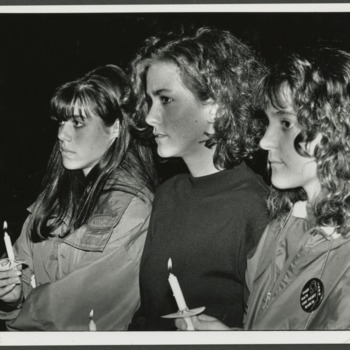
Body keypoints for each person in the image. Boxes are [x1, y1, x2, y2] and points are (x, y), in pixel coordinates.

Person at [176, 47, 350, 331]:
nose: (265, 141)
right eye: (268, 123)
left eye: (285, 123)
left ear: (334, 129)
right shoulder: (280, 227)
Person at [129, 27, 269, 331]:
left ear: (216, 107)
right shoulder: (167, 194)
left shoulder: (257, 206)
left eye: (165, 100)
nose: (150, 117)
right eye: (150, 101)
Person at [0, 64, 157, 330]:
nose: (62, 134)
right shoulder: (57, 195)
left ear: (116, 128)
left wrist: (16, 315)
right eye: (62, 121)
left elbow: (78, 310)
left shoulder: (132, 208)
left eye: (78, 123)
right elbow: (21, 263)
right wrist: (10, 297)